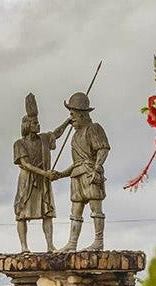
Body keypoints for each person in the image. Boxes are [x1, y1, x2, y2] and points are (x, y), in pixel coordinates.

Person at [13, 92, 70, 253]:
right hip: (28, 180)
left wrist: (68, 122)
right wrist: (45, 174)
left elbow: (57, 133)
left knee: (47, 212)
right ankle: (24, 246)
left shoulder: (44, 139)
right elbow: (25, 164)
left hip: (43, 180)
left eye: (38, 123)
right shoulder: (19, 143)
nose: (38, 126)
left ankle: (50, 245)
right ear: (27, 125)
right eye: (35, 123)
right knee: (22, 213)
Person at [54, 92, 110, 252]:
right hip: (77, 175)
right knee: (76, 211)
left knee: (96, 209)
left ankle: (98, 241)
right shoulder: (75, 135)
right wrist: (61, 174)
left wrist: (98, 166)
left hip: (90, 172)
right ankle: (72, 243)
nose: (71, 118)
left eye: (72, 114)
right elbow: (76, 163)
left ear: (82, 114)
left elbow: (103, 149)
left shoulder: (93, 128)